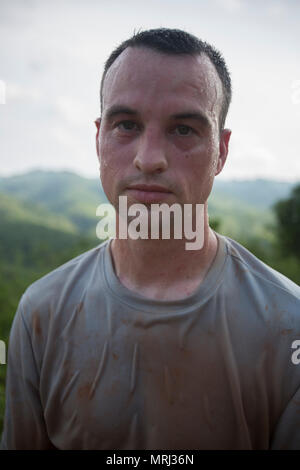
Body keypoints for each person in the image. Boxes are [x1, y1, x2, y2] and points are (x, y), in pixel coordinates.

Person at [1, 28, 300, 450]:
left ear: (222, 151)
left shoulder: (289, 326)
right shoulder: (41, 314)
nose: (149, 158)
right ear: (98, 137)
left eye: (183, 130)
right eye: (126, 125)